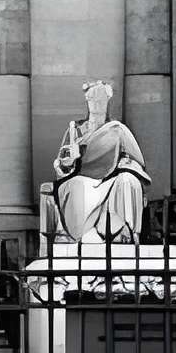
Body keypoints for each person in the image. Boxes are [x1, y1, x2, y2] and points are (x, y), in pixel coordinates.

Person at [49, 79, 149, 244]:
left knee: (128, 181)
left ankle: (123, 234)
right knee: (77, 186)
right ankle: (85, 235)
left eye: (101, 100)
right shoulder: (75, 130)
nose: (97, 104)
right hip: (82, 178)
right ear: (87, 102)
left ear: (107, 102)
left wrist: (125, 168)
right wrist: (70, 161)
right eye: (93, 100)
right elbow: (61, 164)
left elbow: (133, 159)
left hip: (111, 178)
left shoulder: (118, 130)